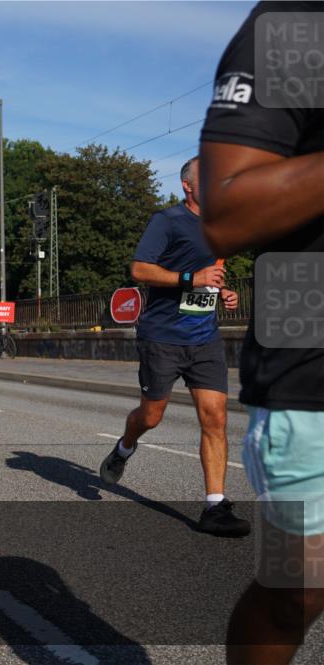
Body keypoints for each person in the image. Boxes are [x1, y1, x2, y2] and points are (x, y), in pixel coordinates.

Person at [197, 2, 324, 661]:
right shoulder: (301, 23)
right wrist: (181, 283)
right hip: (313, 367)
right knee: (295, 590)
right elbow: (229, 210)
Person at [98, 156, 248, 537]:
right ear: (189, 186)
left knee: (215, 417)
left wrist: (221, 293)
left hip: (204, 338)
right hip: (162, 338)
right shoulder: (167, 221)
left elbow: (206, 281)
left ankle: (215, 506)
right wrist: (190, 277)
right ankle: (124, 447)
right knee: (151, 416)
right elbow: (140, 270)